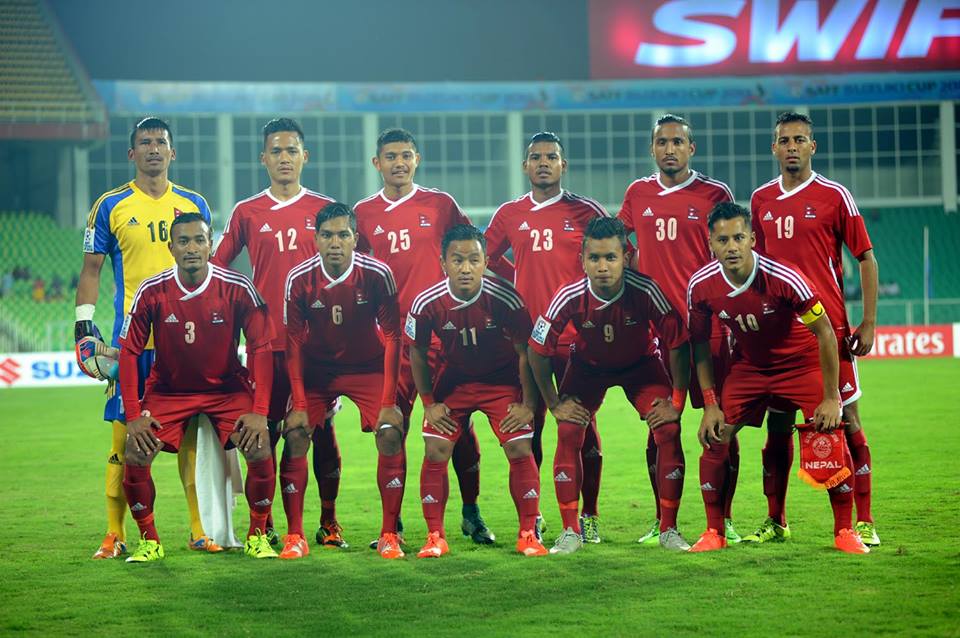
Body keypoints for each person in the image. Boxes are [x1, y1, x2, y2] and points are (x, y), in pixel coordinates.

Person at [686, 202, 869, 554]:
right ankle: (713, 531)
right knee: (715, 436)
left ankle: (845, 531)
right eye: (723, 240)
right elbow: (699, 345)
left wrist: (831, 397)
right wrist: (710, 404)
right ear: (710, 244)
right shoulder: (701, 285)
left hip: (800, 364)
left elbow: (825, 333)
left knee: (829, 434)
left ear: (752, 239)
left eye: (739, 237)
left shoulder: (784, 277)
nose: (732, 247)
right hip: (750, 368)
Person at [75, 117, 217, 559]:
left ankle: (198, 530)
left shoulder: (194, 204)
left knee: (189, 443)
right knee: (124, 444)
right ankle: (115, 534)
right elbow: (91, 270)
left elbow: (209, 271)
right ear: (131, 153)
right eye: (145, 142)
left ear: (173, 152)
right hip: (133, 345)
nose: (153, 149)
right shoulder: (111, 205)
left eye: (160, 142)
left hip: (185, 344)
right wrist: (83, 325)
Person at [354, 128, 505, 545]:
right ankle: (392, 525)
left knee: (457, 428)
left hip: (444, 337)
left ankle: (471, 513)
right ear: (377, 163)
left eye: (406, 155)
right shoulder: (363, 214)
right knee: (391, 429)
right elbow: (357, 273)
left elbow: (474, 252)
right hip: (392, 342)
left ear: (417, 159)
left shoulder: (441, 205)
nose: (399, 163)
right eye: (390, 156)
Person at [211, 117, 345, 548]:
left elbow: (350, 270)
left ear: (305, 156)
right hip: (266, 345)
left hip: (317, 347)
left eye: (291, 150)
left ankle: (328, 523)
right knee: (263, 433)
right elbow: (217, 268)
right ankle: (263, 524)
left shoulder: (326, 210)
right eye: (276, 151)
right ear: (263, 158)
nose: (284, 158)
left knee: (320, 433)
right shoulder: (247, 212)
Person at [750, 111, 880, 546]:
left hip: (828, 330)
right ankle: (776, 520)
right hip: (777, 334)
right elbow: (757, 267)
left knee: (847, 418)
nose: (792, 147)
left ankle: (863, 521)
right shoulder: (761, 199)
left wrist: (868, 322)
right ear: (774, 147)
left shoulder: (834, 195)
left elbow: (866, 258)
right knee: (777, 424)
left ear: (812, 146)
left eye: (799, 140)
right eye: (784, 140)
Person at [117, 213, 278, 562]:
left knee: (260, 444)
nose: (192, 248)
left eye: (199, 240)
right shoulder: (152, 290)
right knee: (136, 451)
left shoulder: (237, 287)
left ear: (210, 245)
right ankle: (149, 541)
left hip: (226, 389)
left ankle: (257, 535)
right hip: (169, 391)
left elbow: (262, 349)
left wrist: (260, 412)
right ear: (171, 247)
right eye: (184, 241)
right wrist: (133, 415)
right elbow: (128, 352)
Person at [528, 217, 691, 554]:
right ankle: (571, 532)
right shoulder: (569, 295)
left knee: (668, 429)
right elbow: (537, 349)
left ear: (625, 258)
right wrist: (554, 403)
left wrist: (676, 401)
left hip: (641, 367)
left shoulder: (646, 290)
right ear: (582, 260)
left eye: (611, 257)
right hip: (588, 370)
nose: (602, 267)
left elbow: (678, 342)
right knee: (568, 429)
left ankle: (669, 529)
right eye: (595, 258)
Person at [617, 114, 739, 546]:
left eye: (677, 142)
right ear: (652, 148)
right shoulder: (637, 193)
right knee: (660, 427)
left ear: (692, 148)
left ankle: (722, 520)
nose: (670, 149)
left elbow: (734, 247)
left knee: (719, 427)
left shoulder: (715, 193)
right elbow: (619, 242)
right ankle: (661, 519)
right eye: (662, 142)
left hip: (709, 329)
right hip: (656, 333)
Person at [485, 131, 609, 542]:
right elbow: (485, 258)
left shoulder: (585, 211)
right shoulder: (510, 213)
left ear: (563, 165)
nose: (543, 163)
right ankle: (534, 516)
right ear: (525, 166)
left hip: (576, 338)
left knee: (581, 426)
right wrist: (514, 282)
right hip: (527, 341)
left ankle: (588, 515)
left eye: (551, 157)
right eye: (536, 157)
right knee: (529, 427)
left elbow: (617, 257)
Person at [407, 224, 547, 558]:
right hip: (454, 383)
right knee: (436, 448)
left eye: (474, 259)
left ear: (485, 262)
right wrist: (429, 403)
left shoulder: (506, 298)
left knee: (519, 445)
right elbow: (417, 352)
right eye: (457, 260)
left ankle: (528, 533)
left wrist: (528, 404)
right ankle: (435, 536)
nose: (466, 268)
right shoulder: (426, 302)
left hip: (500, 383)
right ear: (443, 263)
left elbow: (525, 352)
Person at [283, 202, 405, 559]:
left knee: (390, 432)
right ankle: (295, 535)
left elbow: (393, 335)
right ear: (315, 239)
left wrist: (388, 403)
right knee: (295, 434)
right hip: (318, 370)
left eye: (342, 235)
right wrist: (300, 404)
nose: (334, 242)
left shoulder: (377, 274)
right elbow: (293, 343)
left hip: (368, 367)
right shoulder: (299, 278)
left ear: (355, 238)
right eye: (326, 235)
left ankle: (389, 534)